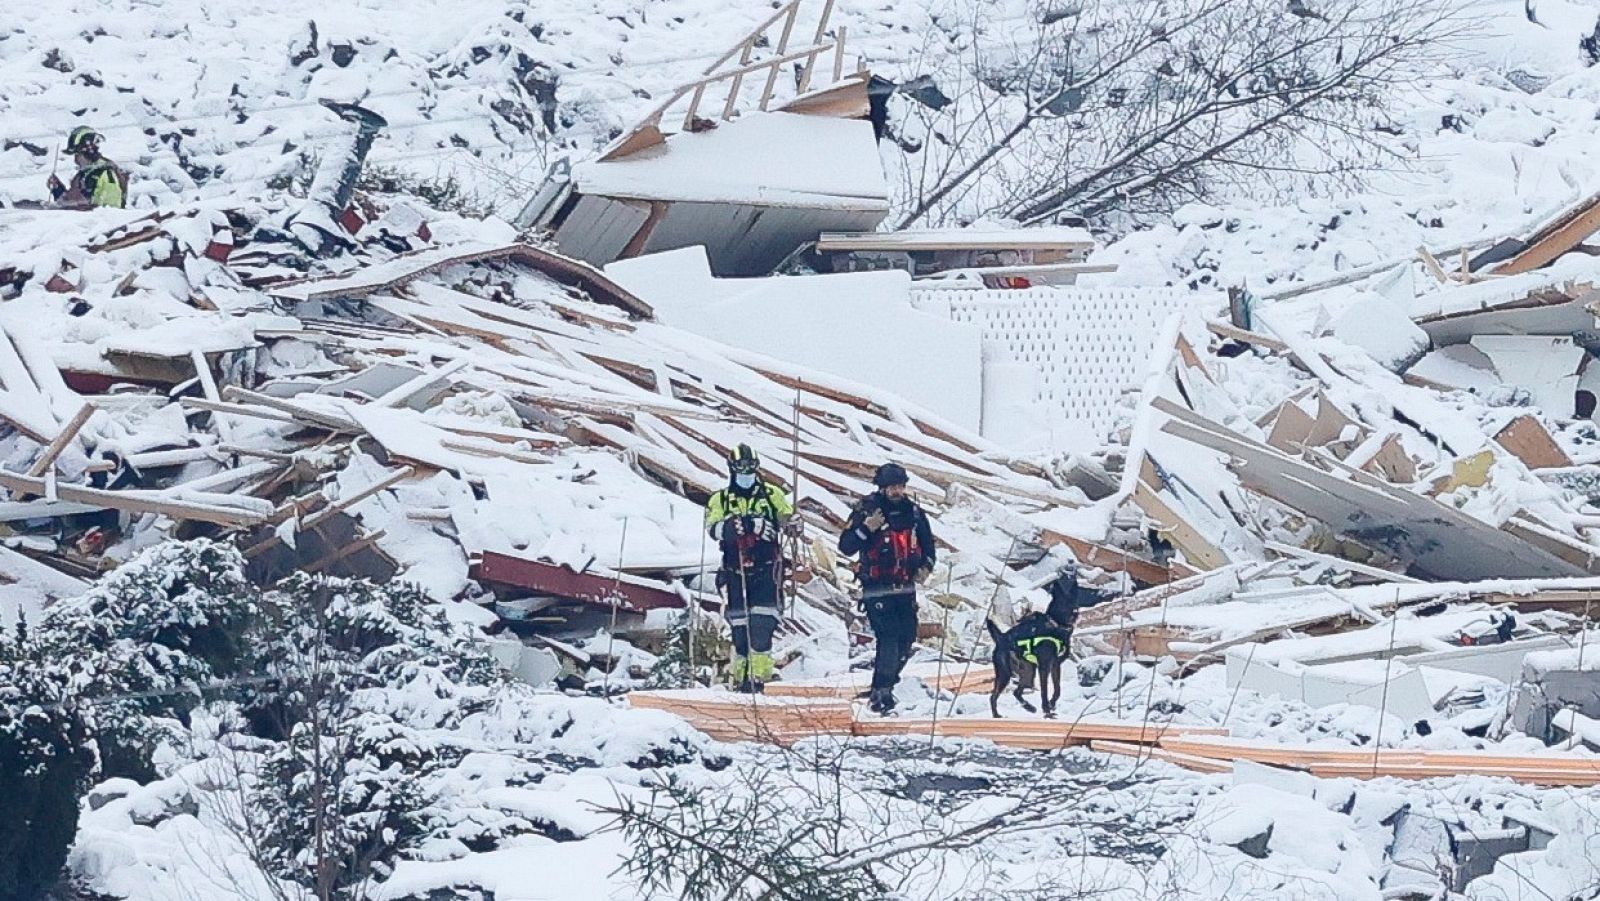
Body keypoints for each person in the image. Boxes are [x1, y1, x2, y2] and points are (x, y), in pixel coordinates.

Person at [838, 462, 936, 714]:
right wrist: (865, 529)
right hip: (876, 587)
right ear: (881, 488)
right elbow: (846, 545)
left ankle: (886, 684)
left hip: (904, 587)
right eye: (892, 487)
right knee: (889, 637)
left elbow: (928, 547)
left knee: (907, 637)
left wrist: (925, 567)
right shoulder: (867, 510)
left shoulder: (914, 514)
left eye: (900, 486)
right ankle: (882, 691)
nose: (897, 492)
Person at [704, 443, 792, 693]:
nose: (746, 472)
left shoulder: (772, 494)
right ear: (732, 469)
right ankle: (739, 678)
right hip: (735, 571)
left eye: (750, 468)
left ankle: (759, 678)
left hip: (766, 569)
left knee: (762, 625)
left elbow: (787, 519)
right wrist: (742, 526)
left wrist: (786, 523)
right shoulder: (719, 499)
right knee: (740, 630)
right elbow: (713, 529)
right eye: (741, 468)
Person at [48, 127, 128, 209]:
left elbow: (111, 211)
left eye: (77, 154)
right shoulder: (82, 175)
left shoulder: (107, 175)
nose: (75, 160)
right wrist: (57, 189)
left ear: (88, 152)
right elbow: (69, 204)